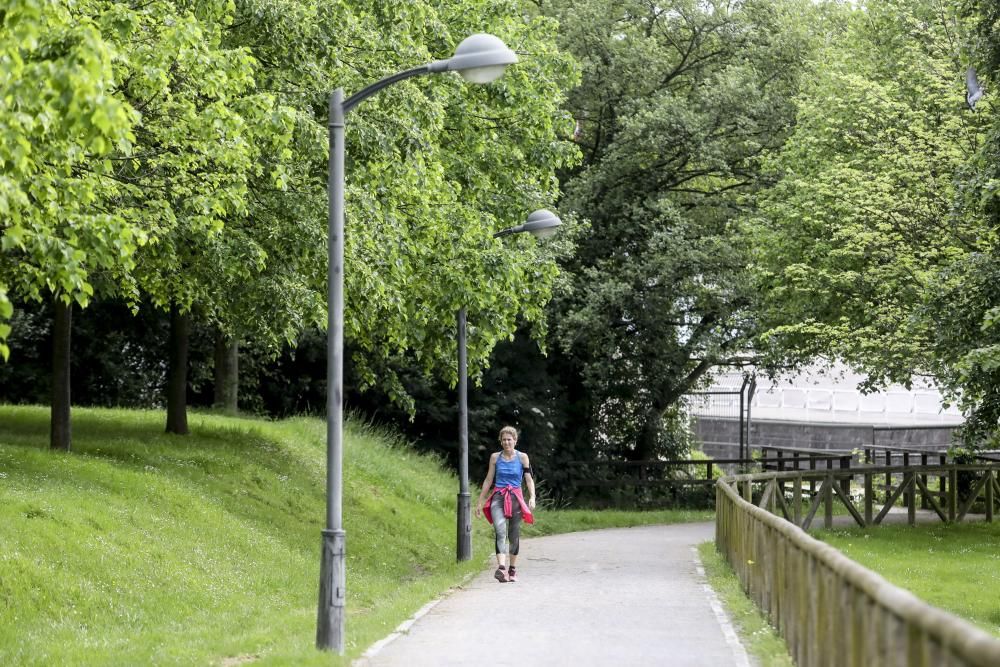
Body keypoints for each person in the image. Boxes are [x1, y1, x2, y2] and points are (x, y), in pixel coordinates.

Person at [475, 425, 536, 583]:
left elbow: (528, 479)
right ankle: (501, 568)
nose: (507, 442)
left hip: (515, 498)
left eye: (509, 439)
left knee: (513, 535)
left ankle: (512, 569)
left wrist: (532, 497)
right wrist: (480, 502)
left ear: (515, 441)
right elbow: (489, 480)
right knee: (500, 531)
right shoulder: (495, 457)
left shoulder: (523, 457)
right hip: (498, 497)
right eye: (504, 440)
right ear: (500, 442)